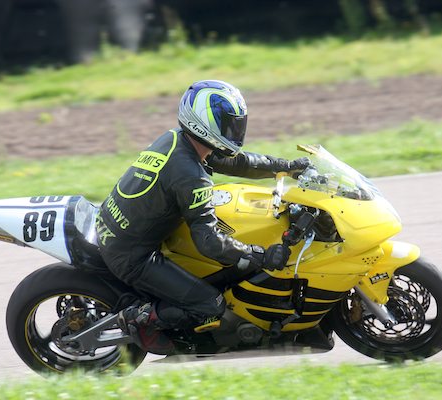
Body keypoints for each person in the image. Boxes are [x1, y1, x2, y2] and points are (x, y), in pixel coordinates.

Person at [96, 79, 310, 354]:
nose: (235, 131)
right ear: (204, 122)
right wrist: (260, 255)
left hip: (114, 227)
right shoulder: (191, 175)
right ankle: (139, 319)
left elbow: (238, 162)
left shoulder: (177, 140)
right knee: (210, 305)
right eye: (228, 124)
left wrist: (286, 167)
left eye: (237, 124)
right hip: (132, 256)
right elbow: (209, 242)